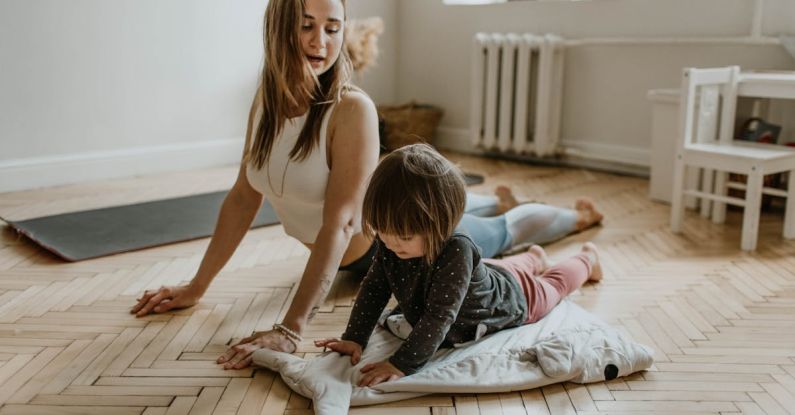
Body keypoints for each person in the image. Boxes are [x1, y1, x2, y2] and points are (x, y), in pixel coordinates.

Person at [129, 0, 602, 370]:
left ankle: (576, 217)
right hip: (378, 232)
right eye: (306, 24)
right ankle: (490, 204)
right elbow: (241, 198)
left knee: (501, 231)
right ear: (277, 27)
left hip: (399, 244)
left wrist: (291, 329)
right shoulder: (266, 103)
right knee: (468, 209)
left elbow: (340, 223)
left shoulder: (351, 109)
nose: (321, 41)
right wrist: (197, 285)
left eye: (333, 28)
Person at [315, 144, 602, 387]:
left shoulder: (457, 249)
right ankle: (535, 257)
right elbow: (375, 287)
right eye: (383, 233)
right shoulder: (392, 242)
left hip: (513, 298)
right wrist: (354, 337)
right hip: (486, 273)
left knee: (553, 284)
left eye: (403, 237)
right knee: (502, 268)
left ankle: (588, 259)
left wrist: (401, 363)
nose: (390, 244)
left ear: (440, 224)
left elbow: (440, 316)